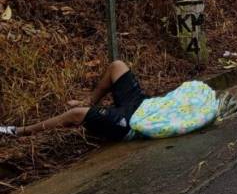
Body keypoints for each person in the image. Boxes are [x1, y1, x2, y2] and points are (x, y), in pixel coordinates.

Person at [0, 60, 147, 140]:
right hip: (145, 104)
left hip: (133, 122)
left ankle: (20, 131)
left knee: (76, 114)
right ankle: (88, 101)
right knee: (117, 66)